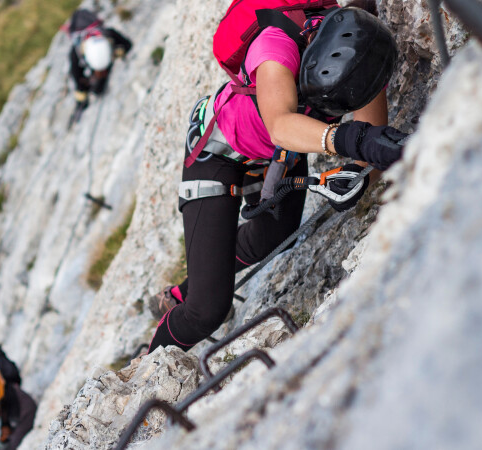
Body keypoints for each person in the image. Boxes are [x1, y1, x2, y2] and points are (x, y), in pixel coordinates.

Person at [147, 4, 408, 353]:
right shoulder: (275, 46)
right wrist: (351, 140)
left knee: (274, 237)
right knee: (206, 311)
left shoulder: (363, 56)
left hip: (275, 153)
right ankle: (150, 362)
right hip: (218, 153)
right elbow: (282, 124)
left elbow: (368, 150)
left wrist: (359, 175)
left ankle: (187, 287)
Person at [64, 8, 133, 120]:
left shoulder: (109, 35)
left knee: (98, 88)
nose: (102, 73)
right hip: (86, 36)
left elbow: (127, 44)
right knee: (97, 89)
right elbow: (77, 77)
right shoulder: (76, 54)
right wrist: (81, 96)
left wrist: (118, 52)